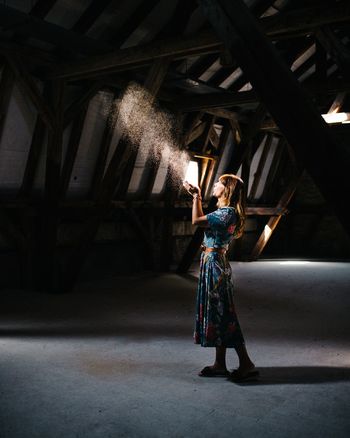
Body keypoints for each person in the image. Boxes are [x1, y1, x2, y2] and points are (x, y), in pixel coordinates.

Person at [183, 174, 258, 381]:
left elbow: (196, 221)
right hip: (213, 263)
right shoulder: (224, 212)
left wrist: (196, 197)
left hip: (215, 265)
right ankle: (219, 364)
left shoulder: (226, 213)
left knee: (225, 316)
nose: (214, 185)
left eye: (219, 183)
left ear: (227, 189)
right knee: (219, 314)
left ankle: (247, 364)